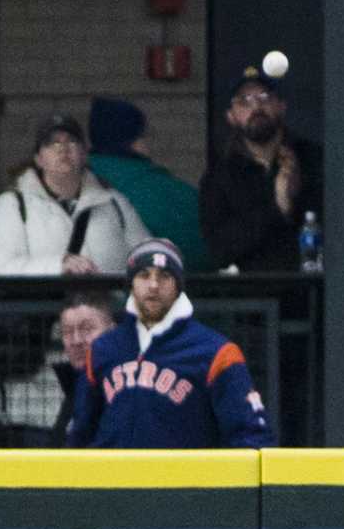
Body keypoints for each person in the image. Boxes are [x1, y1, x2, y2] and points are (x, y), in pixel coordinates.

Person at [68, 239, 275, 448]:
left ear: (178, 286)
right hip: (111, 479)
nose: (154, 285)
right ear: (131, 284)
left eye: (164, 276)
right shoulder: (102, 349)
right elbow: (79, 435)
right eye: (144, 275)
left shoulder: (217, 353)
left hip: (185, 479)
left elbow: (252, 438)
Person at [0, 113, 149, 276]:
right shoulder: (12, 205)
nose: (63, 149)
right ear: (38, 159)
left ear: (84, 154)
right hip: (43, 305)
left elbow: (146, 257)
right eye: (52, 143)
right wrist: (58, 266)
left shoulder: (114, 202)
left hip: (107, 305)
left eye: (72, 141)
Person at [200, 67, 325, 272]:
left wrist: (294, 191)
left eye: (264, 97)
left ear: (281, 106)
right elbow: (219, 249)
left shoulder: (311, 159)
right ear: (231, 116)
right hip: (254, 294)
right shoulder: (219, 176)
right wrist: (277, 207)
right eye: (244, 101)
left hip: (314, 292)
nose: (256, 106)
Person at [87, 97, 212, 270]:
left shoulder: (74, 183)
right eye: (145, 135)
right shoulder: (171, 194)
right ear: (134, 140)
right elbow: (205, 250)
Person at [52, 291, 118, 446]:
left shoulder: (128, 389)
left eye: (87, 329)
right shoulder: (75, 385)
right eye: (67, 332)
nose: (76, 340)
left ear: (113, 332)